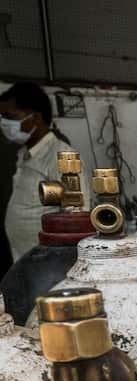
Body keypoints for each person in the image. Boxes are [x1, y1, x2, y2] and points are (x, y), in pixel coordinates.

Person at [1, 82, 85, 264]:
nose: (4, 123)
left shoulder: (62, 156)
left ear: (36, 118)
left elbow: (76, 214)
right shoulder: (24, 154)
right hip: (25, 259)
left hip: (49, 264)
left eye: (10, 117)